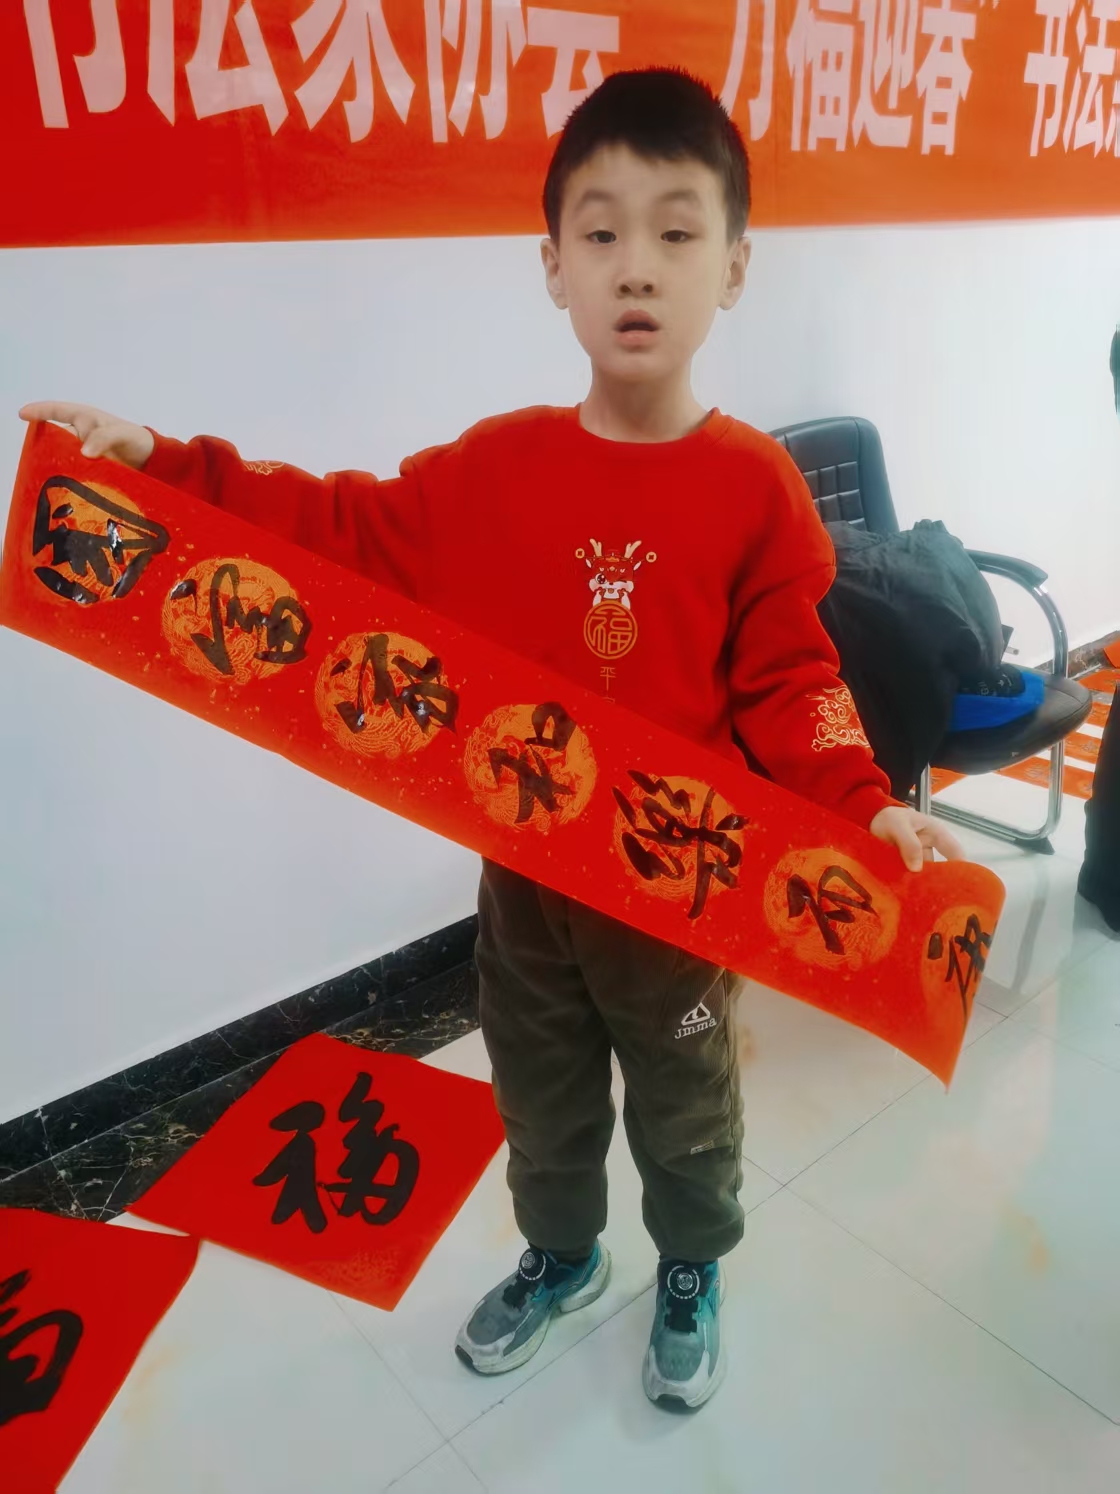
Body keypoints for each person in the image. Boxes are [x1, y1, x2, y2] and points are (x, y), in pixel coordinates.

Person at [21, 68, 961, 1410]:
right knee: (541, 1091)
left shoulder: (752, 489)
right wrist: (162, 466)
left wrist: (865, 803)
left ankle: (690, 1265)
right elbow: (334, 526)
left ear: (735, 266)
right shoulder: (496, 469)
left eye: (677, 231)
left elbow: (793, 681)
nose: (637, 266)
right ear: (554, 266)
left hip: (676, 894)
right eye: (601, 231)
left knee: (686, 1102)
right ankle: (564, 1252)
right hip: (525, 880)